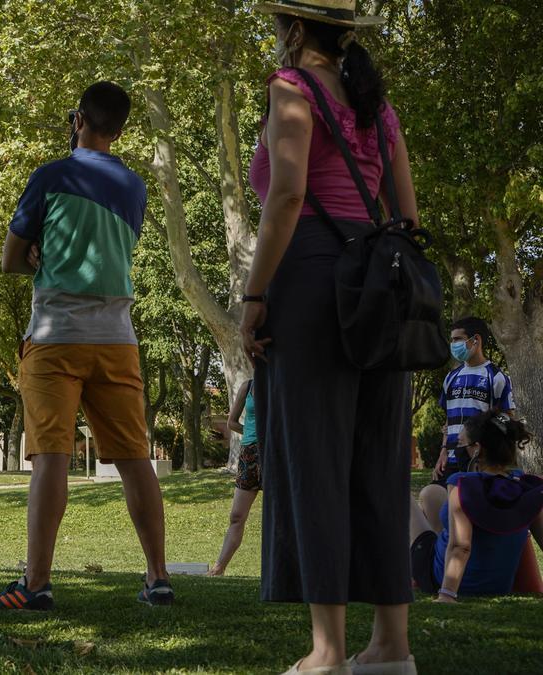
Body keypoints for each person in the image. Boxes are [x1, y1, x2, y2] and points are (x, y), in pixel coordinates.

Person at [240, 2, 418, 673]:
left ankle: (327, 652)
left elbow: (285, 197)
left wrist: (254, 297)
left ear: (291, 29)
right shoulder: (377, 103)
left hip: (312, 279)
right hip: (379, 281)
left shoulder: (291, 90)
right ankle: (392, 646)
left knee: (315, 459)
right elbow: (407, 216)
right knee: (377, 460)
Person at [0, 81, 172, 612]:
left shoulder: (52, 176)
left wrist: (37, 254)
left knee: (51, 460)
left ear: (79, 118)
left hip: (55, 338)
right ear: (121, 128)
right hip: (117, 340)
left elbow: (10, 259)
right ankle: (158, 578)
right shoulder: (135, 187)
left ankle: (35, 585)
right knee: (135, 461)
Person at [410, 411, 543, 601]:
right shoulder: (526, 487)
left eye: (462, 444)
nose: (458, 450)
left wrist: (446, 594)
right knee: (431, 493)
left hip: (442, 579)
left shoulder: (463, 484)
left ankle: (396, 577)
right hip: (499, 585)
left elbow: (461, 546)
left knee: (402, 500)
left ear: (477, 449)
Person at [419, 317, 516, 531]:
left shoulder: (497, 377)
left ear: (475, 340)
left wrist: (488, 434)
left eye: (458, 339)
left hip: (480, 459)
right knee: (437, 508)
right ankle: (440, 556)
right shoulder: (451, 377)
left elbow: (508, 419)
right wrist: (443, 450)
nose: (453, 345)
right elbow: (449, 419)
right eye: (451, 340)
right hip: (451, 457)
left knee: (473, 520)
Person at [209, 379, 260, 577]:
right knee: (237, 516)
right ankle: (219, 568)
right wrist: (251, 432)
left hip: (275, 454)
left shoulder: (284, 383)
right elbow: (231, 422)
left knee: (281, 517)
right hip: (249, 455)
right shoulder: (247, 387)